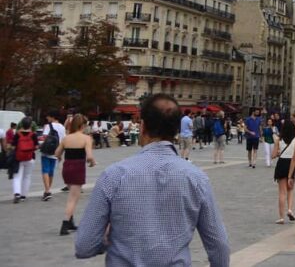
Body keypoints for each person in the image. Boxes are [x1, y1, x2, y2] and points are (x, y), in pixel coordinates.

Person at [74, 93, 230, 265]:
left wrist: (108, 240)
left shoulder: (114, 175)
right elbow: (219, 244)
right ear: (177, 130)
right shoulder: (197, 178)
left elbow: (84, 246)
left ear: (142, 126)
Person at [55, 114, 94, 235]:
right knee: (73, 198)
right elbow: (89, 156)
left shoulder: (66, 138)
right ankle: (65, 224)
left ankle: (70, 221)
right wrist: (92, 162)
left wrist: (60, 157)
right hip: (78, 167)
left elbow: (57, 153)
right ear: (82, 125)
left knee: (71, 194)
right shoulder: (86, 138)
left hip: (67, 167)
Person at [273, 118, 295, 224]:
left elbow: (273, 155)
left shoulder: (279, 139)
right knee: (290, 190)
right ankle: (290, 210)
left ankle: (281, 217)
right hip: (292, 164)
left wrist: (278, 152)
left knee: (282, 193)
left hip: (282, 163)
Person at [39, 110, 66, 201]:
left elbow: (44, 138)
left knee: (45, 170)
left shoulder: (47, 126)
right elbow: (63, 141)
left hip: (47, 151)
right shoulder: (62, 127)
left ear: (52, 117)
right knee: (51, 172)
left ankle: (47, 191)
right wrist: (60, 153)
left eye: (48, 116)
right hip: (56, 151)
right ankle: (48, 190)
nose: (47, 118)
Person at [10, 117, 37, 203]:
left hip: (19, 158)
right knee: (27, 176)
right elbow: (36, 147)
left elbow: (13, 146)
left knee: (17, 176)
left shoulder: (17, 134)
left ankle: (17, 193)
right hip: (30, 157)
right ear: (30, 125)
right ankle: (23, 195)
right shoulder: (33, 135)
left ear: (21, 124)